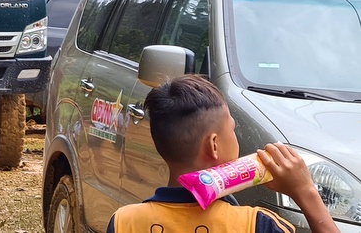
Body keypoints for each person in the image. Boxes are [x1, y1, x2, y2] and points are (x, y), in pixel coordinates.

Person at [107, 75, 338, 233]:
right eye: (233, 130)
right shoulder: (256, 224)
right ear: (214, 145)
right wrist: (305, 191)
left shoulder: (123, 221)